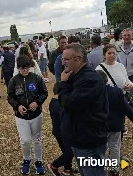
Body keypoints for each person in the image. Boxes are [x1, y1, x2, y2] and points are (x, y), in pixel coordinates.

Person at [58, 44, 109, 176]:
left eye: (66, 59)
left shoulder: (90, 79)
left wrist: (63, 84)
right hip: (79, 138)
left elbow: (69, 104)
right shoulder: (76, 76)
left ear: (78, 59)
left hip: (89, 140)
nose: (63, 62)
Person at [7, 55, 48, 175]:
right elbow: (10, 97)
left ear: (30, 67)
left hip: (36, 115)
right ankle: (26, 159)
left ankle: (39, 161)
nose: (25, 70)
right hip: (21, 117)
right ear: (18, 68)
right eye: (22, 68)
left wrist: (37, 102)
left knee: (37, 139)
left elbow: (44, 93)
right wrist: (17, 106)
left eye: (27, 68)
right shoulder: (13, 81)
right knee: (25, 140)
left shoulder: (36, 78)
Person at [96, 70, 133, 176]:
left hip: (100, 127)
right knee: (115, 147)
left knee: (100, 149)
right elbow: (127, 108)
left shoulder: (94, 94)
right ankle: (114, 169)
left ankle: (101, 169)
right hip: (116, 125)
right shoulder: (116, 91)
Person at [47, 82, 78, 176]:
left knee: (66, 150)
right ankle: (54, 165)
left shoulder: (54, 102)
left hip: (58, 131)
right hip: (62, 132)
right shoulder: (59, 104)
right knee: (70, 151)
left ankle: (67, 169)